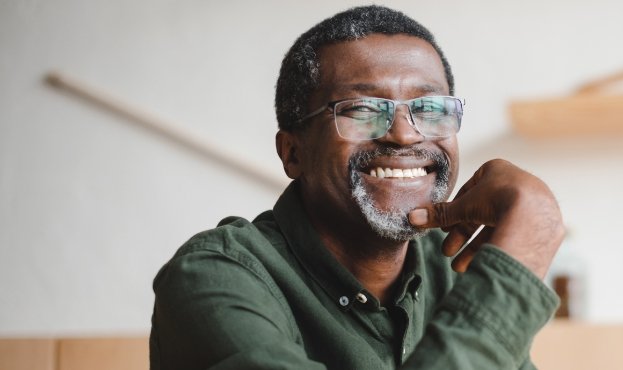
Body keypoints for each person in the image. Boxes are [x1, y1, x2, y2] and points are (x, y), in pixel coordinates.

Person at [150, 5, 565, 370]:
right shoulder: (214, 279)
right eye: (364, 109)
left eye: (429, 108)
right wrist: (519, 261)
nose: (404, 136)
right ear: (293, 153)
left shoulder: (452, 270)